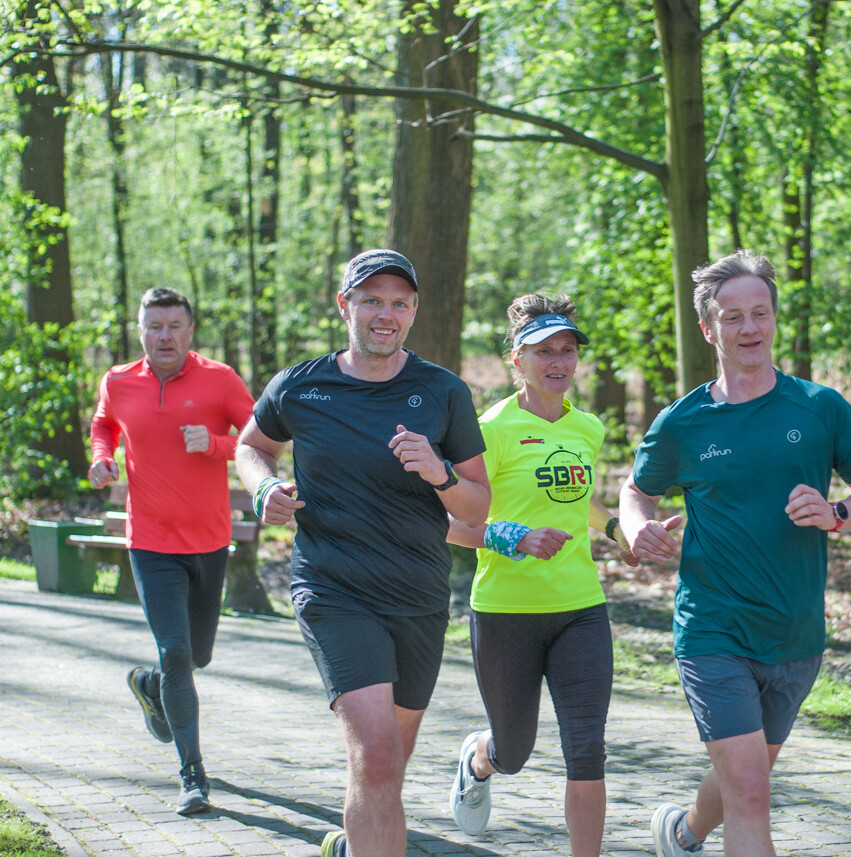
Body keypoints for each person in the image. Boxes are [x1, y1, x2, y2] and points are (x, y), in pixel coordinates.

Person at [618, 249, 851, 857]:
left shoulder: (819, 407)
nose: (749, 329)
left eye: (759, 313)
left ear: (773, 320)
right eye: (733, 317)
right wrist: (637, 528)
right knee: (751, 789)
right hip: (714, 628)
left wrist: (838, 514)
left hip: (795, 634)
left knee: (747, 777)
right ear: (709, 329)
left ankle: (684, 832)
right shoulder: (683, 422)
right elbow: (635, 490)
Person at [234, 249, 489, 857]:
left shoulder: (442, 391)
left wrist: (439, 473)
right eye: (372, 300)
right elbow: (251, 446)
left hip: (419, 597)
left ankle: (354, 845)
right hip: (333, 590)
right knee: (374, 759)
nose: (385, 314)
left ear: (413, 312)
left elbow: (477, 508)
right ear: (345, 305)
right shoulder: (302, 385)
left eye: (399, 303)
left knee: (387, 769)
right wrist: (264, 488)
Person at [444, 294, 636, 856]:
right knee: (515, 750)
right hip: (506, 612)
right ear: (516, 360)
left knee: (587, 748)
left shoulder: (589, 428)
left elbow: (580, 502)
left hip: (580, 607)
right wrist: (511, 537)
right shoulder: (489, 430)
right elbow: (448, 522)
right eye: (543, 351)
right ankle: (478, 760)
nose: (558, 362)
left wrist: (620, 532)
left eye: (568, 350)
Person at [87, 287, 255, 815]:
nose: (164, 336)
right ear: (141, 330)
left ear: (190, 330)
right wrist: (101, 457)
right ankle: (192, 775)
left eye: (174, 326)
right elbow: (103, 424)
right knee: (177, 652)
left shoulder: (220, 379)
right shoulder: (118, 381)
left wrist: (216, 443)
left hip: (209, 542)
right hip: (150, 543)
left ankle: (150, 685)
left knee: (195, 656)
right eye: (154, 326)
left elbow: (262, 437)